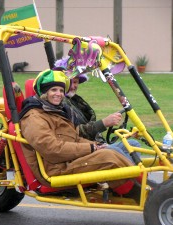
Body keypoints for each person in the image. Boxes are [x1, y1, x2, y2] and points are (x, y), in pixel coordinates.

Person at [19, 69, 141, 199]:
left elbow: (75, 138)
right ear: (44, 92)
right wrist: (91, 148)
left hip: (68, 160)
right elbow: (52, 149)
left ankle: (136, 182)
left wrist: (96, 145)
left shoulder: (54, 111)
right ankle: (137, 191)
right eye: (53, 90)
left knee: (128, 146)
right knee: (109, 157)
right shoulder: (34, 117)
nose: (59, 94)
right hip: (56, 169)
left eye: (61, 91)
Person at [63, 73, 141, 163]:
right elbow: (74, 134)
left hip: (94, 144)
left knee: (133, 145)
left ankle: (132, 173)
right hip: (83, 150)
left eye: (76, 82)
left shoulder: (74, 100)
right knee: (115, 152)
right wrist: (103, 123)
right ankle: (134, 174)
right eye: (70, 82)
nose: (73, 86)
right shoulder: (62, 105)